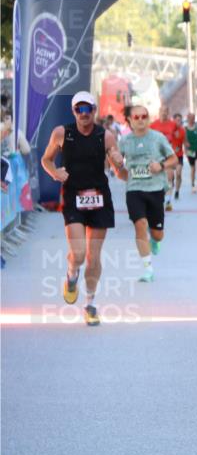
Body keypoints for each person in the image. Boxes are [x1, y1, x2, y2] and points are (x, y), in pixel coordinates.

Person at [40, 91, 125, 326]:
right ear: (73, 111)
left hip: (99, 197)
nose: (83, 114)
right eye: (79, 109)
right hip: (72, 196)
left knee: (93, 257)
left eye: (88, 109)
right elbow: (46, 160)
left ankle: (90, 304)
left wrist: (119, 164)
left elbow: (121, 172)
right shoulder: (62, 133)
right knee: (77, 254)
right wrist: (55, 173)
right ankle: (71, 275)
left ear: (94, 110)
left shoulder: (105, 136)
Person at [115, 104, 178, 283]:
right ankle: (148, 268)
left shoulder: (158, 138)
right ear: (130, 121)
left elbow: (173, 159)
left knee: (157, 233)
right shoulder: (125, 141)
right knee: (140, 224)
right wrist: (119, 167)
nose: (141, 120)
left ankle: (155, 241)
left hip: (156, 188)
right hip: (134, 189)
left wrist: (161, 166)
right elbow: (116, 162)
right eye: (137, 117)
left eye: (144, 116)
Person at [150, 106, 184, 210]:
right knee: (156, 178)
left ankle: (168, 201)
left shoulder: (173, 124)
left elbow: (178, 136)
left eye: (166, 111)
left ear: (168, 113)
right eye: (162, 111)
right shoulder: (153, 125)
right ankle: (156, 199)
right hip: (155, 155)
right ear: (159, 112)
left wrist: (177, 148)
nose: (164, 113)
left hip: (168, 155)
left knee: (169, 177)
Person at [184, 113, 197, 191]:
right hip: (190, 151)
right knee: (193, 168)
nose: (192, 119)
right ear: (188, 118)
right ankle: (192, 184)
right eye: (191, 118)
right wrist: (185, 147)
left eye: (193, 118)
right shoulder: (185, 128)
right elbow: (183, 139)